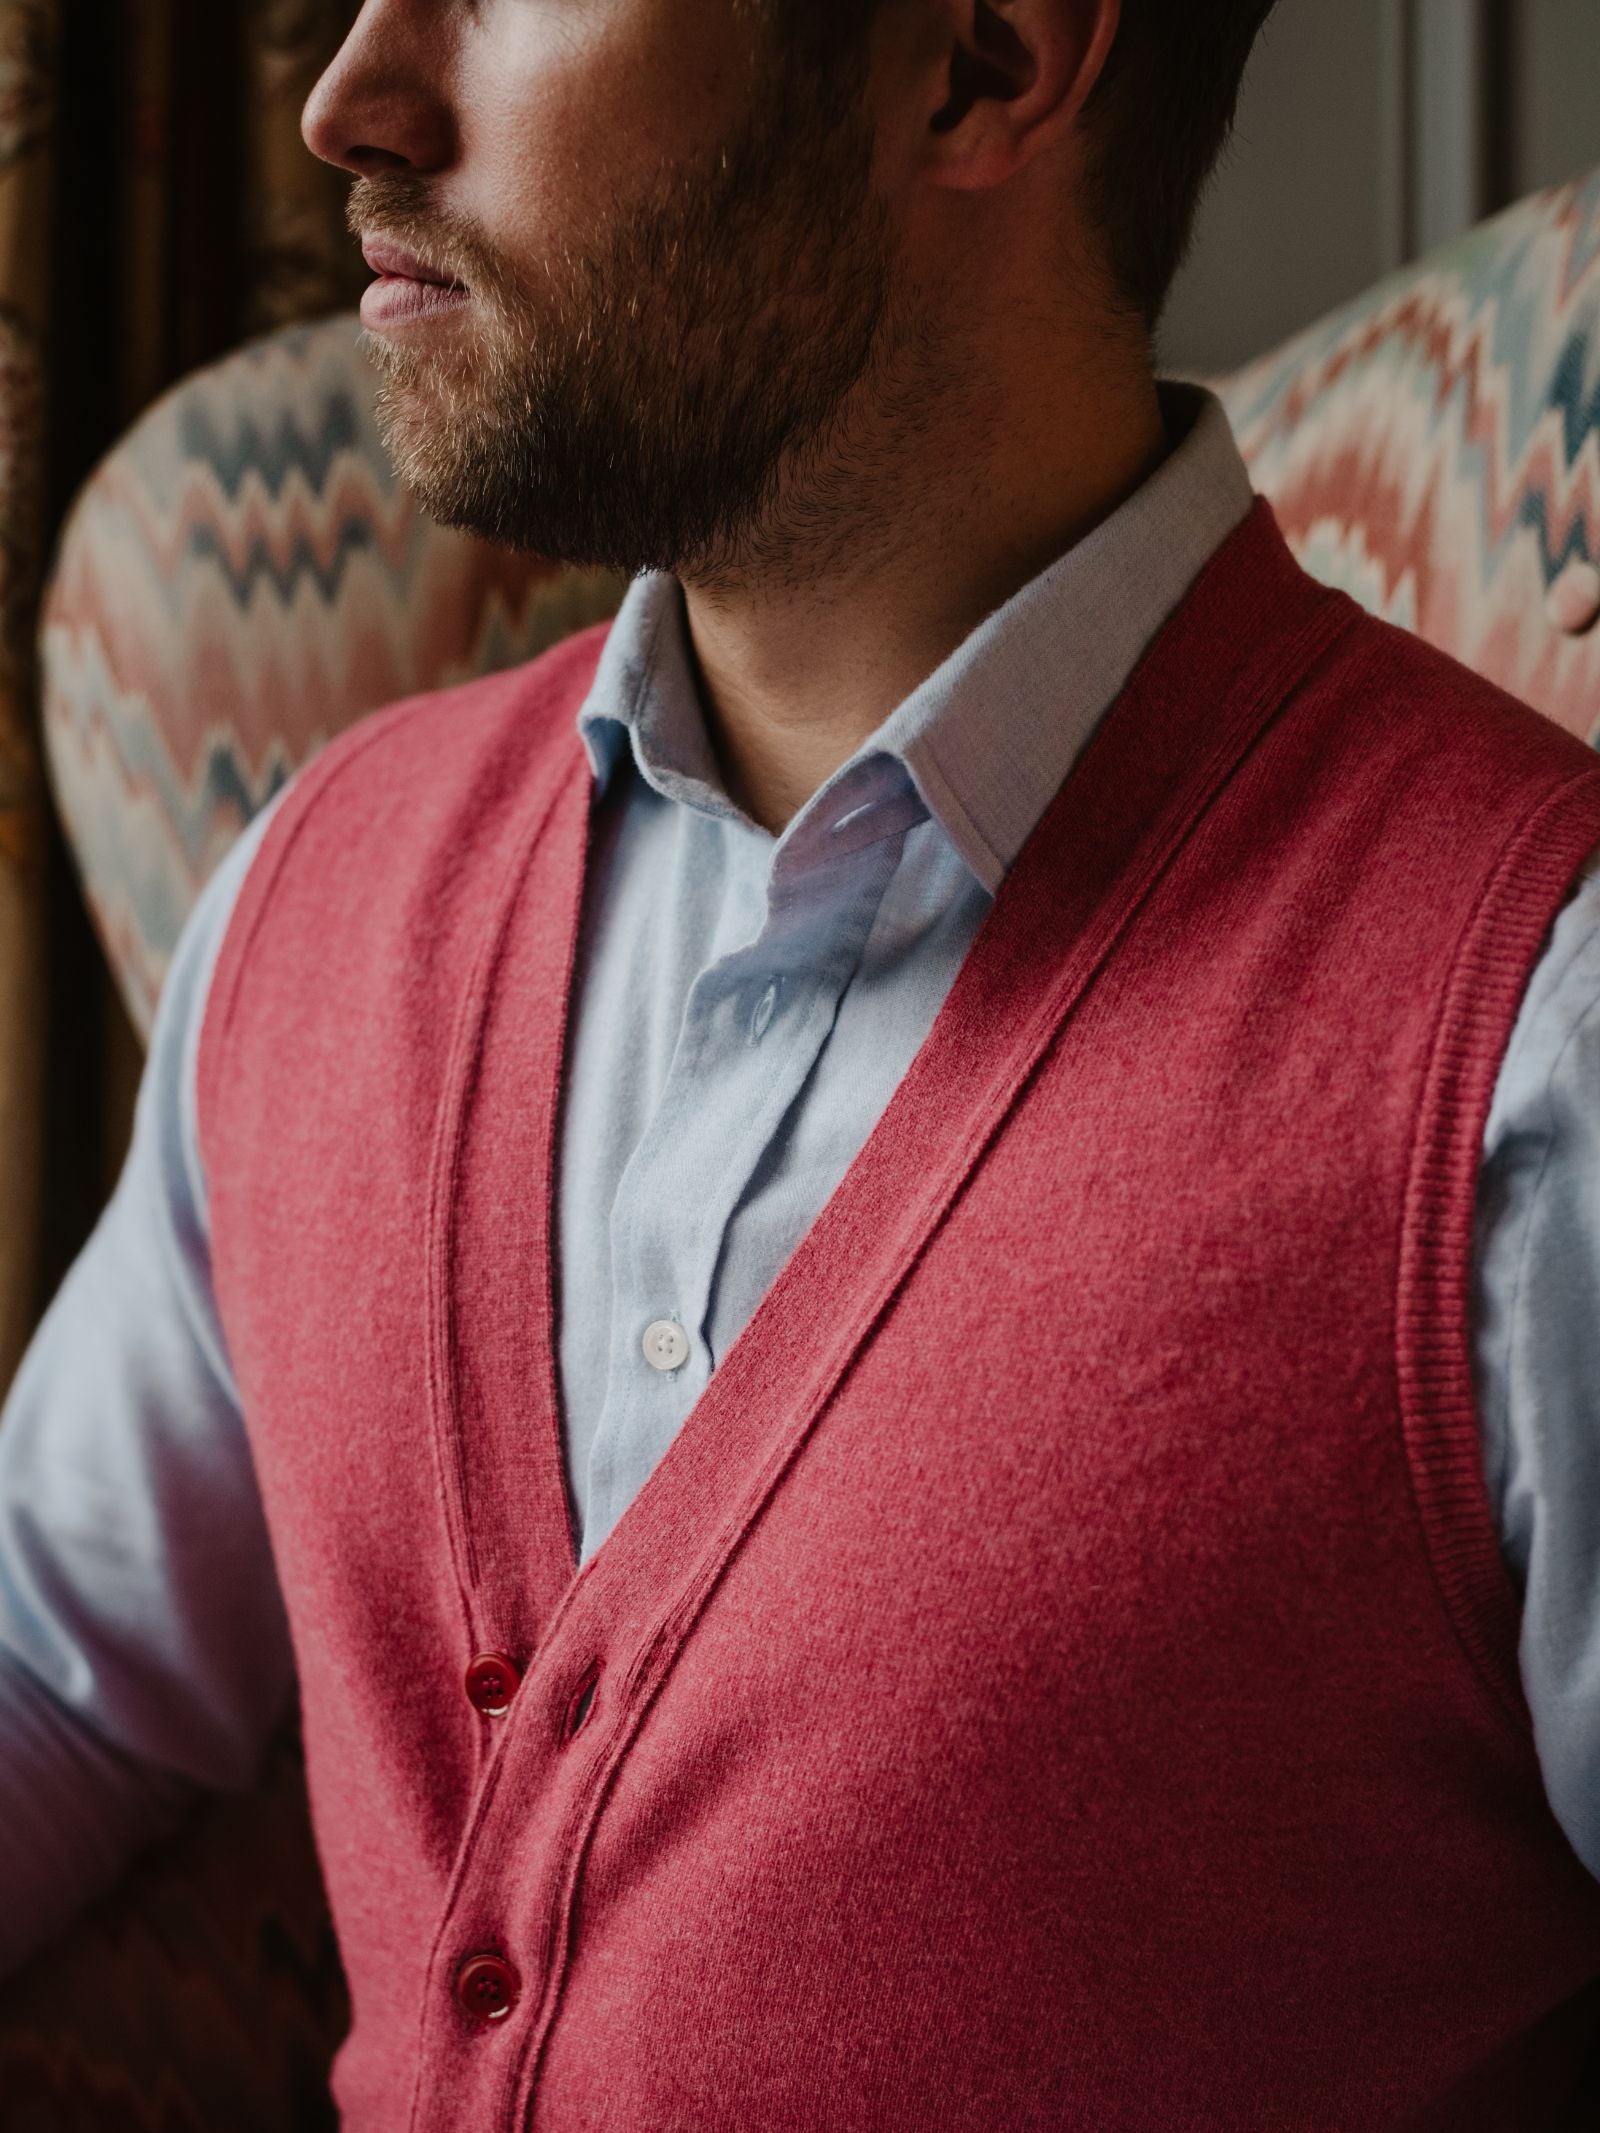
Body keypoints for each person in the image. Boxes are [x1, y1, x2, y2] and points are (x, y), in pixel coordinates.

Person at [4, 0, 1600, 2123]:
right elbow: (55, 1665)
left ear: (979, 62)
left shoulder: (1526, 1041)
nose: (348, 99)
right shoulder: (315, 891)